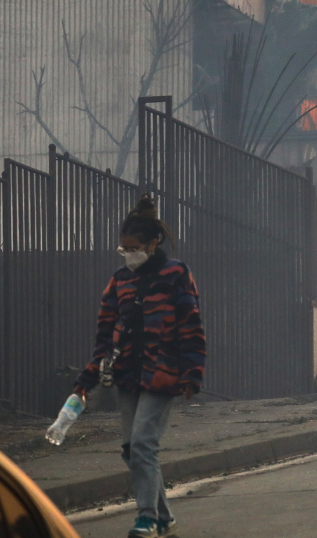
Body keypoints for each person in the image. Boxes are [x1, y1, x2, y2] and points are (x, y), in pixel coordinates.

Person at [74, 194, 204, 538]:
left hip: (163, 374)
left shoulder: (177, 274)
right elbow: (105, 334)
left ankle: (146, 517)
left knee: (144, 443)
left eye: (134, 248)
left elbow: (190, 326)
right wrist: (87, 378)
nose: (129, 255)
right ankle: (164, 517)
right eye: (124, 249)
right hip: (127, 375)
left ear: (153, 243)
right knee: (133, 450)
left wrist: (192, 373)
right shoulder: (119, 280)